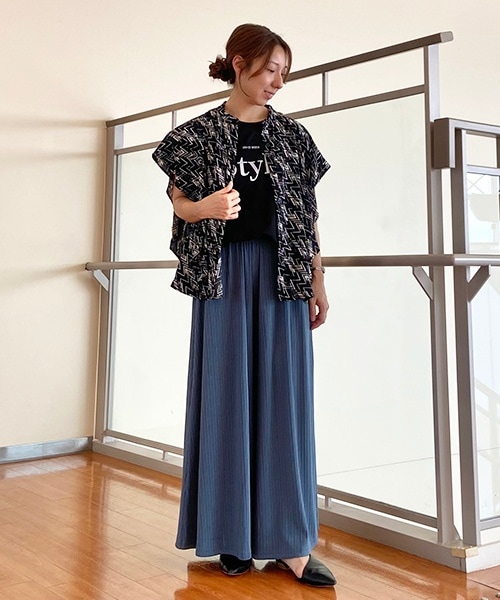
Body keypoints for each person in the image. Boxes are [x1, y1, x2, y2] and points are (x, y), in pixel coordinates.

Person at [152, 23, 336, 588]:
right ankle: (230, 534)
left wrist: (318, 280)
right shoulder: (196, 135)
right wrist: (203, 208)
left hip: (284, 276)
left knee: (286, 402)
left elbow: (308, 217)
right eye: (270, 69)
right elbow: (180, 203)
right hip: (224, 274)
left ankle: (291, 543)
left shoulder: (294, 138)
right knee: (224, 396)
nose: (278, 81)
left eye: (284, 72)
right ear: (239, 63)